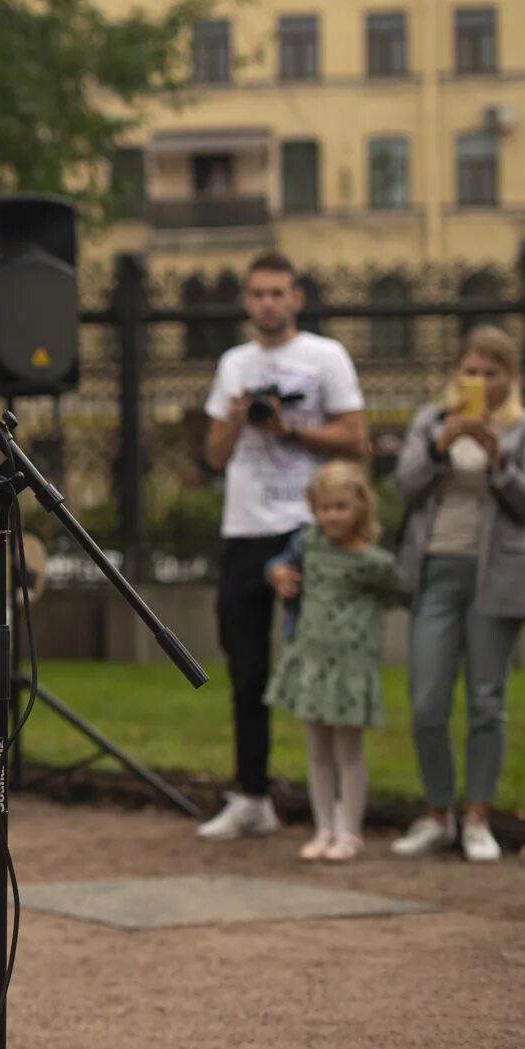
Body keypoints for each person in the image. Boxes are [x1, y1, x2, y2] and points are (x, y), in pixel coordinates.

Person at [197, 252, 368, 840]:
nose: (268, 303)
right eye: (258, 294)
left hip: (308, 527)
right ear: (246, 301)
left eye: (278, 293)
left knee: (321, 661)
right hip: (244, 528)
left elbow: (357, 439)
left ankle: (339, 808)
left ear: (296, 297)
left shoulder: (326, 357)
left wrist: (289, 429)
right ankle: (251, 794)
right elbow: (213, 456)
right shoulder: (233, 364)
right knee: (245, 669)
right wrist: (239, 418)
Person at [391, 326, 525, 864]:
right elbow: (404, 487)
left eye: (491, 372)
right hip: (435, 572)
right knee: (426, 701)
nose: (479, 381)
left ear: (510, 380)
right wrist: (442, 446)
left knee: (486, 701)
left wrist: (498, 459)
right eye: (470, 371)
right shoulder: (429, 422)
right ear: (456, 374)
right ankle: (439, 813)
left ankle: (477, 815)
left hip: (495, 579)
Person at [263, 462, 406, 861]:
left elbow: (402, 592)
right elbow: (276, 565)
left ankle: (350, 831)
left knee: (348, 750)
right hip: (311, 660)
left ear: (361, 507)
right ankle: (323, 826)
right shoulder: (308, 544)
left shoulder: (374, 562)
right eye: (325, 507)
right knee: (317, 750)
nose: (332, 516)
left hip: (350, 666)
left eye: (341, 507)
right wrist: (275, 573)